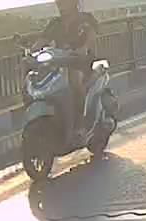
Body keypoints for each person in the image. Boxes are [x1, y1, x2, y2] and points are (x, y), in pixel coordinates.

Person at [37, 0, 99, 140]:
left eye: (64, 2)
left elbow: (91, 37)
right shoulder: (55, 23)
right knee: (40, 78)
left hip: (81, 62)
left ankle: (79, 125)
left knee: (74, 80)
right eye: (59, 3)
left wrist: (84, 48)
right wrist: (31, 53)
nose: (61, 5)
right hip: (61, 62)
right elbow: (42, 40)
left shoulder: (86, 19)